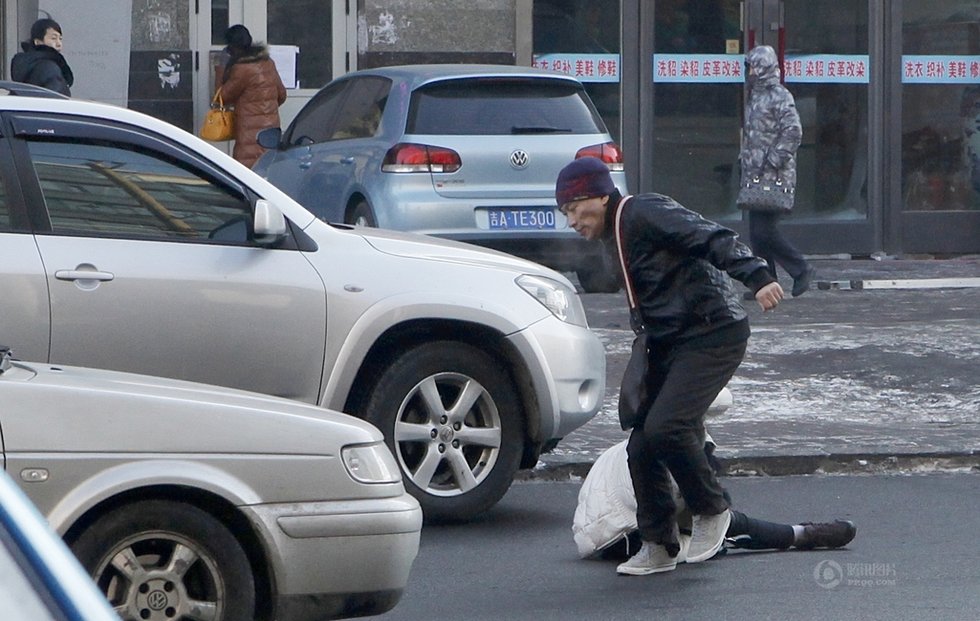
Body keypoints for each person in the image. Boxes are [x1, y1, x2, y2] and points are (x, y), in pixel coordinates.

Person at [556, 155, 784, 576]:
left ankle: (712, 509)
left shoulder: (643, 211)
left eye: (572, 208)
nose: (570, 221)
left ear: (599, 196)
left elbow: (708, 235)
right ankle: (659, 545)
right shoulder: (616, 233)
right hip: (671, 343)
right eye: (565, 212)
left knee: (668, 428)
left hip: (712, 334)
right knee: (641, 444)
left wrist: (757, 275)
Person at [573, 438, 856, 562]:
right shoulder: (671, 465)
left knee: (718, 525)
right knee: (723, 523)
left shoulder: (651, 440)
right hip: (619, 535)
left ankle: (801, 534)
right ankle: (803, 534)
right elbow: (714, 508)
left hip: (597, 529)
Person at [738, 44, 814, 298]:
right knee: (757, 231)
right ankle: (765, 281)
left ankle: (800, 268)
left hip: (774, 172)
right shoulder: (756, 95)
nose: (748, 71)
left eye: (752, 67)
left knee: (764, 230)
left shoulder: (779, 95)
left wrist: (773, 159)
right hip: (757, 171)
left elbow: (793, 131)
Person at [217, 24, 287, 167]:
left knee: (245, 176)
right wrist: (264, 109)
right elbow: (282, 94)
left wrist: (221, 67)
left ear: (233, 47)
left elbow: (221, 97)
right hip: (270, 134)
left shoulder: (242, 69)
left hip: (250, 137)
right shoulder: (268, 63)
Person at [10, 18, 73, 96]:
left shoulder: (27, 65)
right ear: (38, 42)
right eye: (53, 38)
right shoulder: (49, 67)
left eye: (60, 39)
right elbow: (54, 100)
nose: (59, 43)